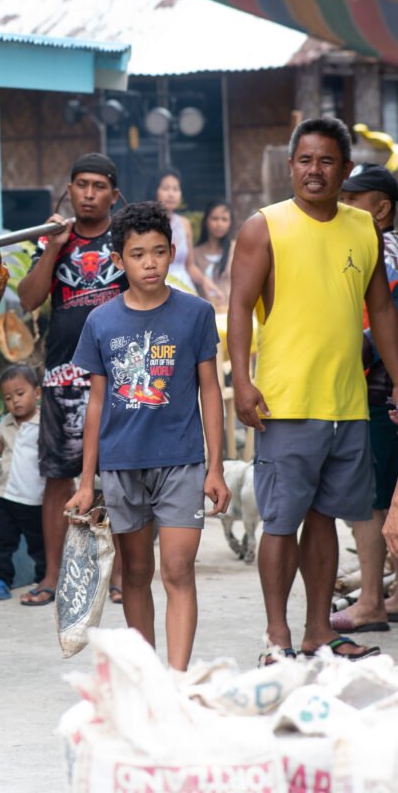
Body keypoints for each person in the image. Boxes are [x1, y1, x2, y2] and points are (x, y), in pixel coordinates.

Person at [228, 118, 398, 663]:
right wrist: (243, 381)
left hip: (347, 404)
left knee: (325, 520)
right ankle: (277, 639)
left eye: (326, 161)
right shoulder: (264, 227)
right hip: (285, 403)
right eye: (305, 160)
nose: (314, 170)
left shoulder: (362, 228)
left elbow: (383, 312)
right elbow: (237, 307)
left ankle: (317, 631)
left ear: (345, 170)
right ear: (290, 166)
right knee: (281, 521)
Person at [65, 201, 230, 670]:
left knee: (178, 570)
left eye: (159, 252)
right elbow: (95, 404)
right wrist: (85, 480)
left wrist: (214, 467)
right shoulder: (101, 321)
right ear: (119, 260)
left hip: (181, 460)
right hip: (121, 465)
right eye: (138, 254)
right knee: (135, 572)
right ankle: (147, 676)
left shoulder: (195, 313)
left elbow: (210, 391)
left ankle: (175, 682)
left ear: (172, 252)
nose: (150, 263)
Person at [17, 152, 126, 606]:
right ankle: (52, 576)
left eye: (98, 186)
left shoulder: (127, 238)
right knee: (58, 478)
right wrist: (56, 247)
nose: (88, 194)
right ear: (68, 190)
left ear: (113, 195)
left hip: (120, 375)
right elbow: (28, 298)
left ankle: (121, 577)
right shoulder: (52, 241)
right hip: (64, 374)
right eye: (80, 184)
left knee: (120, 478)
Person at [328, 164, 398, 632]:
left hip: (380, 390)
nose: (344, 210)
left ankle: (372, 600)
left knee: (374, 499)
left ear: (381, 208)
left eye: (353, 202)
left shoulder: (382, 252)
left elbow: (372, 329)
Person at [0, 364, 46, 601]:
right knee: (3, 542)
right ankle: (1, 580)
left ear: (37, 393)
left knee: (39, 543)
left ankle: (45, 578)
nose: (14, 401)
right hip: (3, 494)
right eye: (8, 397)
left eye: (20, 394)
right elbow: (2, 447)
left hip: (32, 497)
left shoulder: (44, 422)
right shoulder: (6, 423)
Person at [154, 169, 220, 299]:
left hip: (184, 287)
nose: (171, 194)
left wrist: (205, 281)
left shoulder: (185, 224)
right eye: (166, 188)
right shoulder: (147, 224)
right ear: (155, 191)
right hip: (157, 289)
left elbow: (190, 266)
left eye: (176, 189)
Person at [193, 200, 235, 312]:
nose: (219, 224)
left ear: (230, 223)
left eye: (224, 219)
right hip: (203, 313)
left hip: (230, 311)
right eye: (214, 218)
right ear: (206, 221)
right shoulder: (195, 253)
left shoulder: (236, 249)